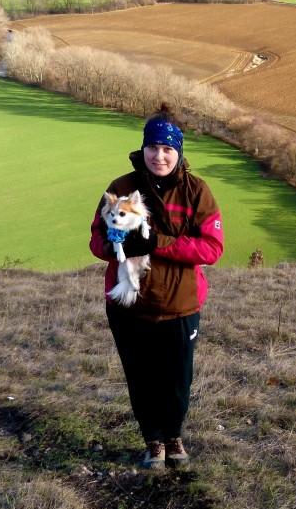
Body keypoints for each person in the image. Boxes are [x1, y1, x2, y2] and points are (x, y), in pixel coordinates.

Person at [89, 104, 223, 470]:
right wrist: (117, 249)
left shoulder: (197, 191)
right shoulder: (120, 188)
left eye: (167, 149)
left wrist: (158, 243)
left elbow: (212, 248)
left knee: (177, 381)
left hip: (181, 304)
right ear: (143, 148)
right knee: (141, 378)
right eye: (153, 147)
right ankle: (153, 442)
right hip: (130, 307)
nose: (159, 155)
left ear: (178, 152)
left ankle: (174, 435)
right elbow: (96, 240)